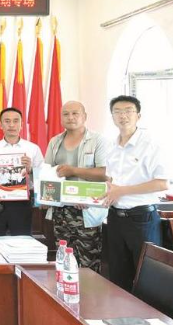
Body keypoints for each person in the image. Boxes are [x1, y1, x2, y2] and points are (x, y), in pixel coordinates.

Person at [103, 95, 169, 291]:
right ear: (112, 117)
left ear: (138, 115)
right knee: (118, 277)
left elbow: (162, 183)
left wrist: (122, 191)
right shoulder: (111, 145)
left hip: (142, 218)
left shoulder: (151, 144)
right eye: (117, 112)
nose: (122, 115)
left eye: (128, 111)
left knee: (148, 278)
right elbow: (110, 180)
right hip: (115, 217)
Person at [43, 101, 108, 273]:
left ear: (84, 116)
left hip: (86, 210)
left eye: (75, 113)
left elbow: (105, 173)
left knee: (88, 264)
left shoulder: (98, 140)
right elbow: (47, 173)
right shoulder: (55, 141)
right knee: (64, 261)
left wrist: (73, 170)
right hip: (61, 210)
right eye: (66, 114)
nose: (70, 117)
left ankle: (90, 291)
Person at [0, 108, 44, 237]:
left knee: (22, 241)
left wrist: (30, 169)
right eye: (7, 121)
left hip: (22, 203)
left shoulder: (33, 148)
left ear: (21, 125)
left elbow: (41, 178)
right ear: (0, 125)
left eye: (16, 121)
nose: (11, 125)